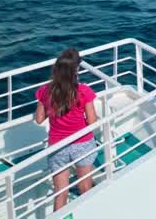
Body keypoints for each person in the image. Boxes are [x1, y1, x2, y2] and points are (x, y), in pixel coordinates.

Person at [35, 48, 100, 210]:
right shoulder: (84, 91)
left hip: (57, 147)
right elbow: (92, 121)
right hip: (82, 145)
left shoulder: (44, 91)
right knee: (85, 188)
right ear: (76, 70)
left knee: (60, 193)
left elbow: (39, 119)